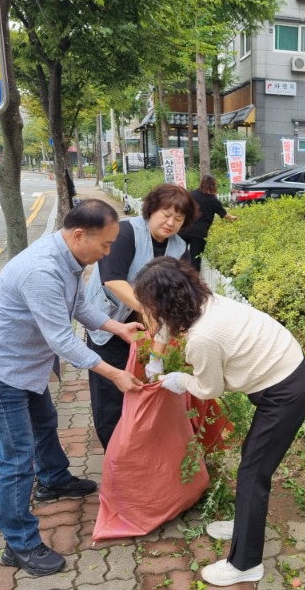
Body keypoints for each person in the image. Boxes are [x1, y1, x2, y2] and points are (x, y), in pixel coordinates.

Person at [0, 199, 145, 577]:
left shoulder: (71, 260)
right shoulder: (43, 270)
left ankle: (55, 480)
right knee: (17, 458)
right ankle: (19, 543)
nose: (108, 252)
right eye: (105, 244)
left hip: (26, 366)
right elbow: (63, 339)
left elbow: (78, 306)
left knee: (46, 422)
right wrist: (113, 374)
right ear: (79, 235)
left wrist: (119, 328)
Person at [133, 257, 305, 587]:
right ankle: (245, 523)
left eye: (150, 305)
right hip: (286, 374)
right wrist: (157, 358)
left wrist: (178, 379)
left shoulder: (204, 337)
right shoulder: (205, 302)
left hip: (285, 393)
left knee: (253, 472)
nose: (149, 313)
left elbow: (210, 388)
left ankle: (246, 564)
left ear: (164, 303)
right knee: (252, 463)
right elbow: (169, 323)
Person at [84, 183, 198, 449]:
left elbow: (180, 293)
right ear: (151, 210)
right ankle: (115, 456)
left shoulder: (180, 248)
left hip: (149, 330)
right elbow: (112, 279)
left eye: (178, 219)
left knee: (142, 388)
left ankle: (139, 450)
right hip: (109, 324)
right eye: (165, 214)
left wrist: (167, 343)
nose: (171, 222)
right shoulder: (126, 232)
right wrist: (146, 307)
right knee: (110, 394)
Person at [178, 174, 238, 271]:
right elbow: (224, 214)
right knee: (195, 259)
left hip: (184, 229)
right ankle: (193, 281)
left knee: (179, 255)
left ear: (201, 183)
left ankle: (178, 275)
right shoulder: (213, 200)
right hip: (199, 233)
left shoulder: (190, 194)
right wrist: (234, 218)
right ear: (213, 185)